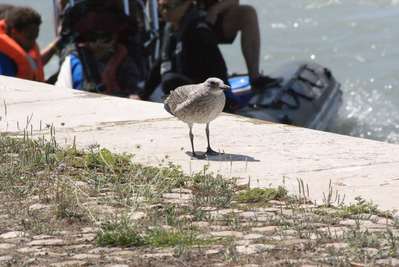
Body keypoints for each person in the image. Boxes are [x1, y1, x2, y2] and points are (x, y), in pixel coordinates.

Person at [55, 9, 143, 99]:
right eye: (93, 37)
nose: (98, 43)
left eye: (105, 37)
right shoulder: (72, 62)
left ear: (115, 39)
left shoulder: (126, 63)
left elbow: (134, 91)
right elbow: (62, 94)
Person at [197, 0, 281, 90]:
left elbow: (234, 1)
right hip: (188, 18)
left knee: (248, 13)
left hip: (211, 19)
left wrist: (215, 9)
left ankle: (255, 77)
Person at [0, 6, 60, 81]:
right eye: (29, 38)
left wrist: (55, 46)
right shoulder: (4, 60)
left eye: (35, 37)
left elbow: (34, 66)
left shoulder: (22, 48)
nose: (33, 44)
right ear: (14, 32)